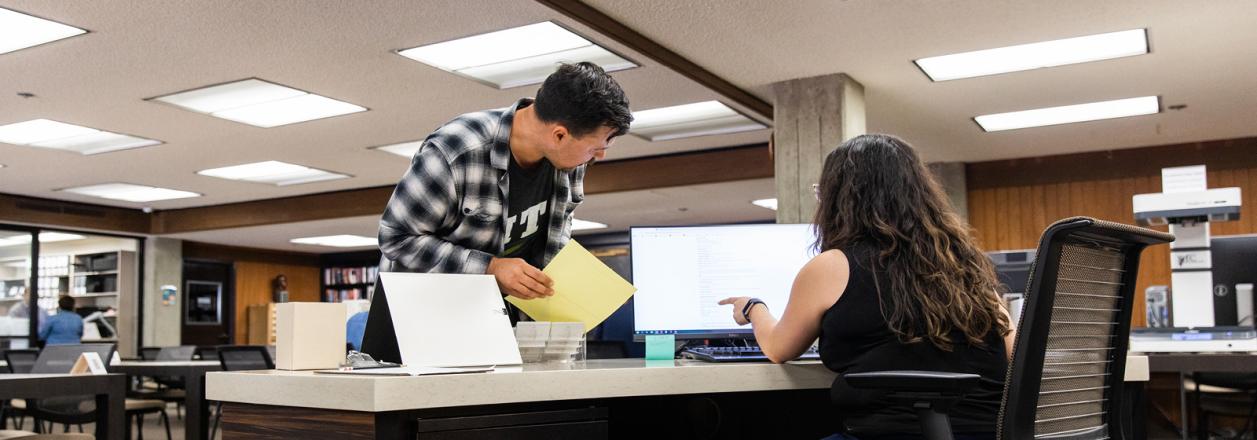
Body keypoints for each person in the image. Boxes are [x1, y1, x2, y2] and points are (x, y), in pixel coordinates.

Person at [719, 134, 1015, 439]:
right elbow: (1015, 350)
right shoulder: (964, 265)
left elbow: (779, 348)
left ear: (839, 200)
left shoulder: (833, 265)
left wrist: (754, 308)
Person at [361, 62, 632, 362]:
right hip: (416, 329)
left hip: (490, 324)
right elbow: (396, 237)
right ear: (559, 135)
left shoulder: (568, 163)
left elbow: (552, 245)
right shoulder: (458, 149)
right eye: (597, 146)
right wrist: (490, 267)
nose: (601, 155)